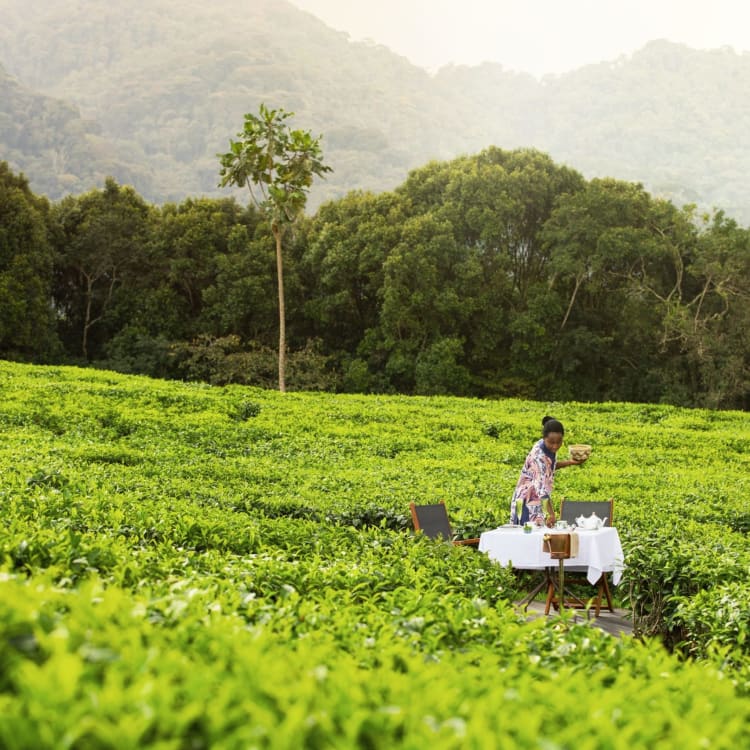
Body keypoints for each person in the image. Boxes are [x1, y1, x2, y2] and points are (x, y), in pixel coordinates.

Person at [509, 416, 586, 527]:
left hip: (537, 500)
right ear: (544, 438)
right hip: (527, 501)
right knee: (530, 538)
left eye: (559, 442)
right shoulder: (539, 456)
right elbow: (542, 491)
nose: (555, 446)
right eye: (551, 442)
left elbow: (549, 467)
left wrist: (571, 462)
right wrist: (551, 514)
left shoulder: (545, 446)